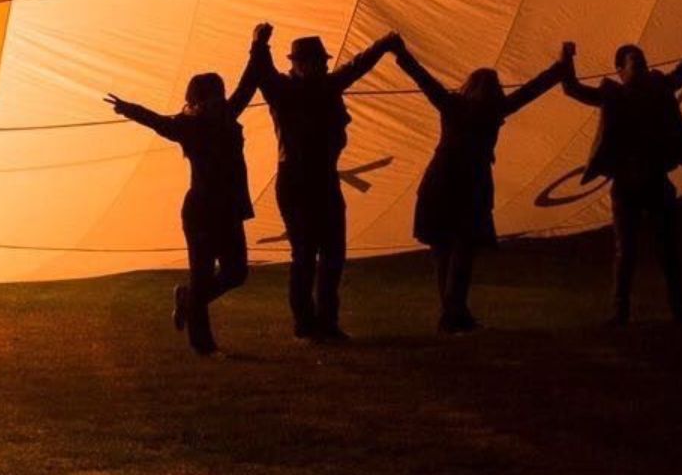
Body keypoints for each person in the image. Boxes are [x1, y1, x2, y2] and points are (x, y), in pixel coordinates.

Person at [105, 24, 268, 355]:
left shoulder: (228, 115)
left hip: (229, 207)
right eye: (212, 96)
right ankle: (203, 346)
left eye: (220, 94)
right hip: (202, 211)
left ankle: (188, 297)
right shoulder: (187, 126)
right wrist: (128, 108)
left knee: (236, 273)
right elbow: (156, 121)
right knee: (203, 275)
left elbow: (248, 83)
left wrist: (258, 46)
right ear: (198, 100)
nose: (218, 100)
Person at [559, 12, 682, 326]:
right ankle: (621, 312)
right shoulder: (612, 95)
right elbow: (572, 88)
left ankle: (678, 312)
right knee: (626, 252)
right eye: (635, 62)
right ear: (620, 70)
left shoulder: (659, 88)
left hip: (655, 181)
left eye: (642, 61)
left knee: (667, 250)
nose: (641, 66)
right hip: (627, 185)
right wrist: (566, 58)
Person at [394, 38, 573, 333]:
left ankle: (452, 313)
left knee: (444, 251)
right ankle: (454, 313)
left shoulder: (452, 104)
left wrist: (399, 52)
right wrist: (560, 67)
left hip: (440, 183)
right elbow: (531, 90)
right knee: (461, 251)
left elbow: (423, 78)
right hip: (469, 187)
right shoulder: (493, 110)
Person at [248, 27, 398, 341]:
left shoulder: (316, 86)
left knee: (331, 252)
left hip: (317, 178)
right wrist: (259, 45)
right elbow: (264, 72)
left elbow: (356, 66)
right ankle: (308, 324)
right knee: (306, 254)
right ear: (302, 64)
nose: (325, 66)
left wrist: (382, 45)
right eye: (319, 62)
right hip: (299, 180)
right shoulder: (287, 90)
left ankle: (324, 323)